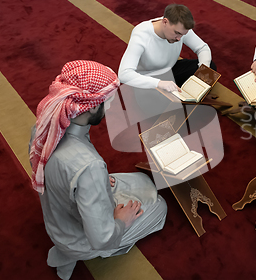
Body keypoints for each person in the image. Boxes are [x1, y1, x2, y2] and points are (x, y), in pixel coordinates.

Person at [29, 60, 167, 280]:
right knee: (160, 206)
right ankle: (95, 253)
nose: (110, 106)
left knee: (144, 180)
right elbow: (101, 237)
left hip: (59, 215)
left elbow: (51, 171)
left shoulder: (45, 124)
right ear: (92, 106)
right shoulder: (90, 166)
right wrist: (122, 221)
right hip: (82, 238)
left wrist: (96, 184)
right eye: (108, 101)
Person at [118, 3, 215, 92]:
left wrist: (203, 69)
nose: (179, 39)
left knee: (209, 66)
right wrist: (159, 83)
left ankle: (179, 95)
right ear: (165, 22)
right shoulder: (141, 34)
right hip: (149, 77)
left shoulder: (180, 28)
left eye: (182, 35)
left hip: (170, 70)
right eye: (177, 33)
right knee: (154, 107)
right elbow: (124, 74)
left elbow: (202, 48)